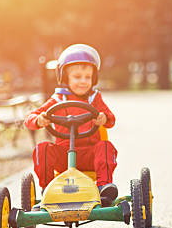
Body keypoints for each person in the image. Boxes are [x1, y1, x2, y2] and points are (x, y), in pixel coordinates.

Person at [25, 44, 118, 207]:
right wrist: (39, 120)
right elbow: (29, 119)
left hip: (90, 155)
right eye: (77, 77)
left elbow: (111, 119)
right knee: (43, 149)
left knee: (105, 147)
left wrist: (104, 118)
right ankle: (47, 190)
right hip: (64, 156)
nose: (83, 81)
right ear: (65, 78)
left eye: (87, 77)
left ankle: (104, 188)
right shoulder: (58, 99)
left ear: (93, 79)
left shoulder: (94, 99)